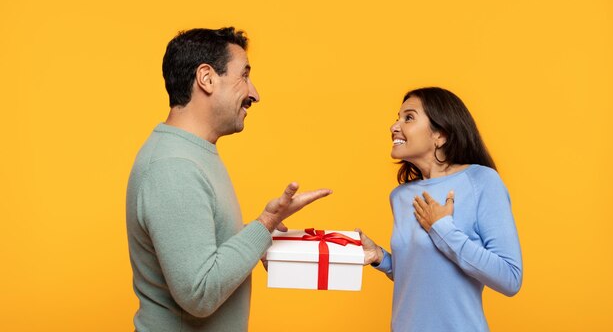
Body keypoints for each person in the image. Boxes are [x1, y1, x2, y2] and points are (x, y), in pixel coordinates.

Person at [125, 27, 331, 332]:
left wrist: (255, 236)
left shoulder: (193, 153)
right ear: (207, 78)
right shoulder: (174, 166)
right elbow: (199, 294)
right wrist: (265, 224)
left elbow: (202, 255)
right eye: (244, 76)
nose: (254, 93)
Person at [357, 87, 523, 331]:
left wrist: (442, 228)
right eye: (397, 118)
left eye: (409, 117)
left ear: (441, 135)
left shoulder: (481, 181)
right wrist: (381, 258)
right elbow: (423, 274)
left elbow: (510, 278)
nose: (394, 127)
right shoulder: (400, 196)